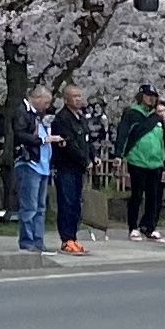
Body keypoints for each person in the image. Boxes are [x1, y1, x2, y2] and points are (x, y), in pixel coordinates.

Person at [4, 84, 56, 254]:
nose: (46, 106)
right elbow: (20, 134)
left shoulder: (39, 115)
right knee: (29, 206)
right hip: (29, 162)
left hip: (42, 164)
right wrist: (42, 140)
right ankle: (27, 241)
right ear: (36, 98)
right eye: (45, 102)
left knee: (40, 207)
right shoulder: (22, 111)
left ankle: (38, 240)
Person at [52, 81, 98, 255]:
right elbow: (69, 144)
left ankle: (73, 237)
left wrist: (93, 157)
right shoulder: (62, 119)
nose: (79, 100)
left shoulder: (81, 118)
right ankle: (66, 239)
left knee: (76, 205)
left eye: (80, 96)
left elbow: (87, 141)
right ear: (66, 99)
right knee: (67, 203)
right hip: (66, 167)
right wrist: (83, 160)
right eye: (75, 96)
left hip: (79, 169)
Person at [118, 86, 165, 241]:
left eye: (153, 96)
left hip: (156, 162)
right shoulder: (132, 114)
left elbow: (164, 141)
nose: (151, 99)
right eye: (148, 96)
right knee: (137, 195)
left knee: (154, 197)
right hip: (137, 160)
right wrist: (119, 154)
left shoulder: (156, 117)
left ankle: (149, 226)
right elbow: (123, 133)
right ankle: (133, 226)